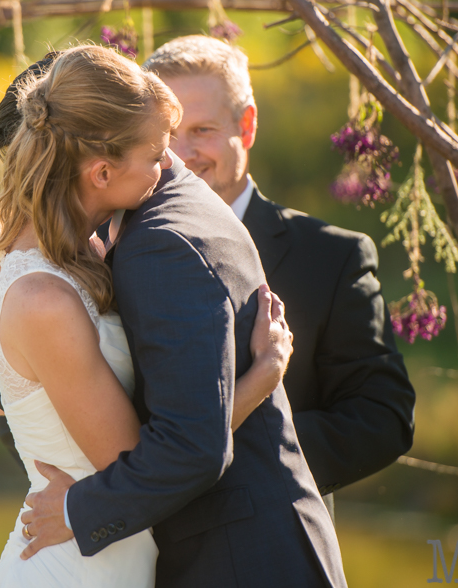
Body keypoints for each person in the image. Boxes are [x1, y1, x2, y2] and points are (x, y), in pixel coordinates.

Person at [0, 45, 311, 587]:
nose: (170, 165)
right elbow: (138, 461)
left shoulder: (78, 259)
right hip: (75, 568)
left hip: (109, 556)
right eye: (155, 153)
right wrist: (261, 378)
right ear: (101, 171)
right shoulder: (45, 298)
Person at [142, 35, 416, 514]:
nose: (181, 156)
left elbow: (381, 418)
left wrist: (230, 454)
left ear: (246, 125)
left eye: (202, 130)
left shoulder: (331, 258)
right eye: (167, 135)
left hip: (275, 551)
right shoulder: (107, 250)